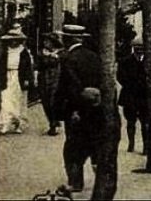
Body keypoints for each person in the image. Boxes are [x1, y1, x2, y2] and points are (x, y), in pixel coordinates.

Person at [55, 24, 103, 193]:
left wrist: (67, 110)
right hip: (95, 108)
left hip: (76, 110)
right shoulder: (94, 56)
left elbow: (70, 87)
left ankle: (75, 182)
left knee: (73, 148)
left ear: (69, 39)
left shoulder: (69, 58)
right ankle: (102, 180)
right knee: (94, 143)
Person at [0, 27, 33, 134]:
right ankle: (5, 124)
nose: (13, 42)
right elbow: (1, 66)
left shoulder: (23, 52)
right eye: (11, 40)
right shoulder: (6, 52)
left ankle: (17, 124)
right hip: (7, 77)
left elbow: (27, 67)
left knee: (18, 101)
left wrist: (27, 79)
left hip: (18, 77)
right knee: (6, 100)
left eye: (15, 40)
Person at [117, 37, 148, 153]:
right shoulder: (125, 61)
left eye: (142, 48)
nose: (139, 51)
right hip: (130, 96)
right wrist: (130, 84)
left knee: (145, 123)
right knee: (130, 121)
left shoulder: (150, 61)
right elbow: (120, 77)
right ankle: (131, 144)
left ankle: (146, 146)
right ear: (133, 48)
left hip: (144, 96)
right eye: (137, 48)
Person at [38, 34, 64, 136]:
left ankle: (54, 123)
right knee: (46, 101)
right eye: (44, 41)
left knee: (54, 101)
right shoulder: (41, 53)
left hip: (57, 79)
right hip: (44, 80)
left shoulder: (60, 53)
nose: (45, 43)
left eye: (47, 41)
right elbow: (39, 65)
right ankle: (51, 121)